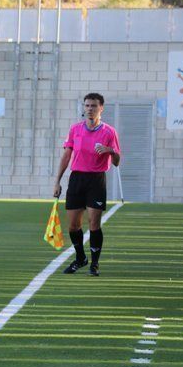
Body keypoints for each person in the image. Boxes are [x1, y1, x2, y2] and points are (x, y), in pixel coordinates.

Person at [53, 92, 121, 276]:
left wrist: (109, 150)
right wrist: (57, 181)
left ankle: (95, 264)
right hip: (77, 179)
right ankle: (80, 258)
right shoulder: (75, 129)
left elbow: (117, 161)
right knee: (73, 225)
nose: (90, 109)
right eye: (87, 106)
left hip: (96, 180)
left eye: (93, 106)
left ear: (101, 108)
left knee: (93, 223)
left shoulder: (109, 132)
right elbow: (67, 155)